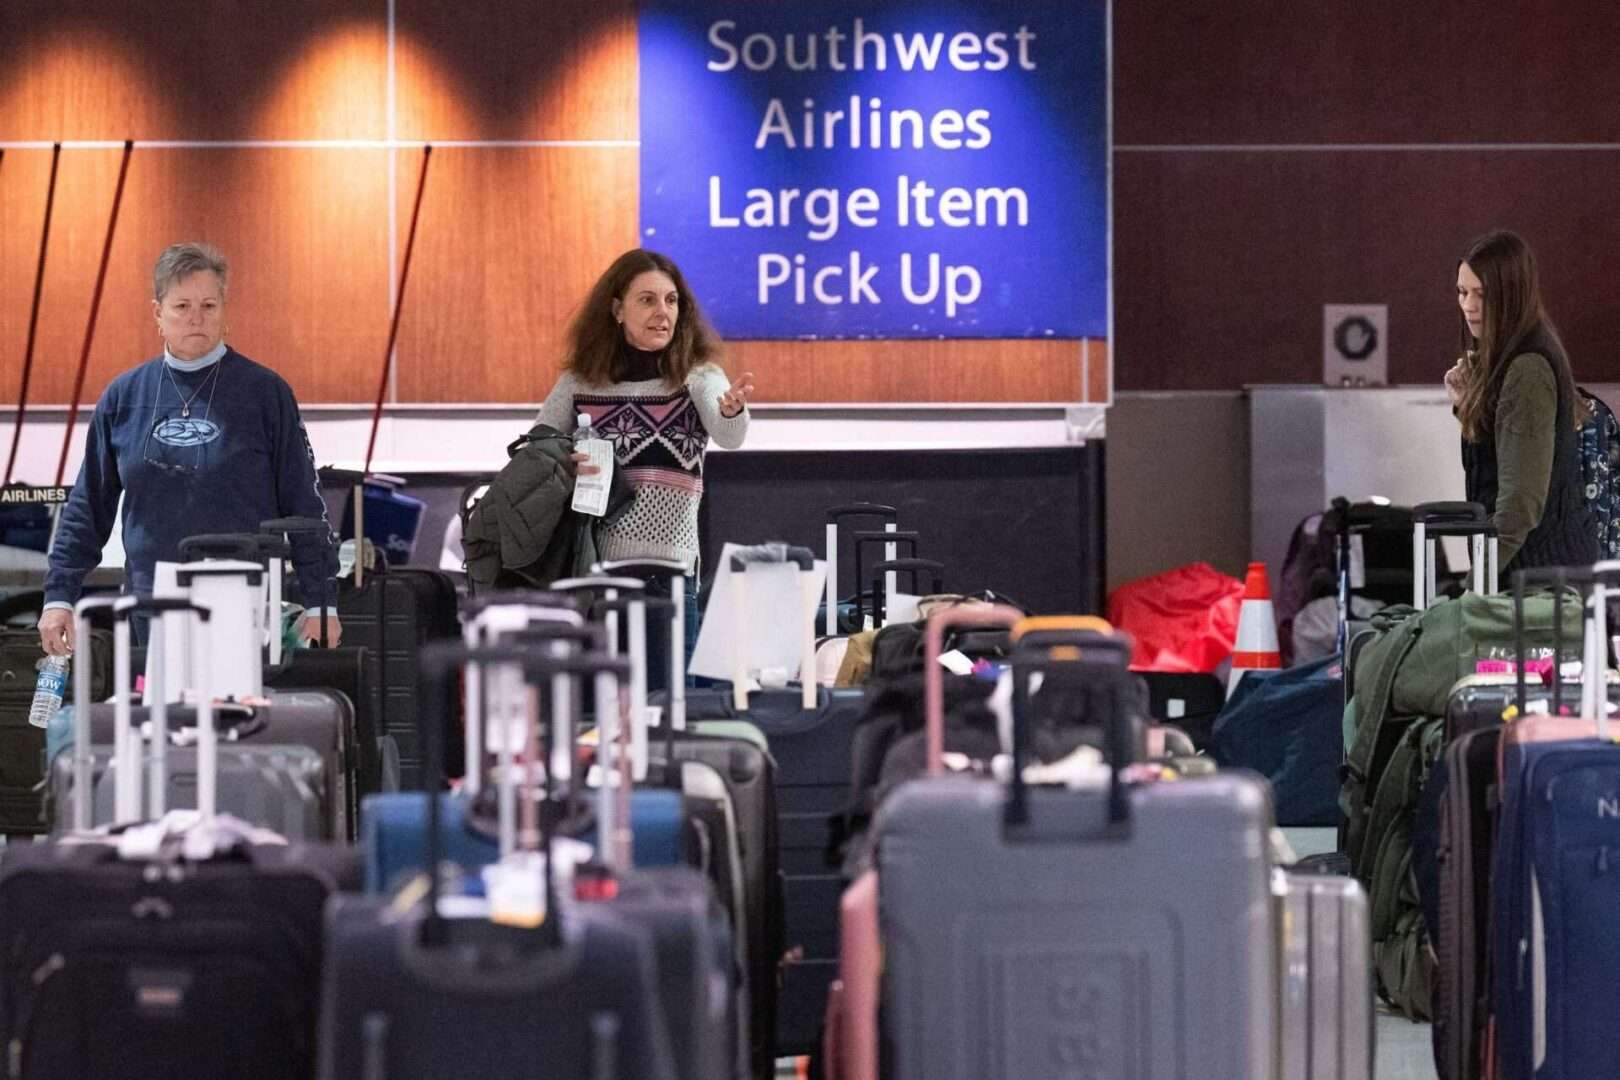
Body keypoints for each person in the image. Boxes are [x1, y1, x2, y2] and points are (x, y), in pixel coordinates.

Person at [38, 242, 341, 655]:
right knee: (156, 719)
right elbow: (87, 506)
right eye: (181, 305)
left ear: (225, 311)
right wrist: (59, 596)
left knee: (242, 719)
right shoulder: (124, 397)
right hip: (150, 604)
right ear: (157, 313)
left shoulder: (265, 393)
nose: (196, 317)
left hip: (247, 605)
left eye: (209, 305)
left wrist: (321, 602)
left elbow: (305, 502)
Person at [536, 248, 753, 674]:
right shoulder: (579, 382)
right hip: (594, 576)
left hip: (670, 572)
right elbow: (534, 452)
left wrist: (730, 411)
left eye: (671, 301)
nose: (662, 312)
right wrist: (565, 460)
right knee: (601, 712)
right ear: (617, 309)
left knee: (668, 712)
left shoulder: (698, 376)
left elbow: (730, 436)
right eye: (647, 300)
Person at [1443, 229, 1597, 572]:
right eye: (1462, 292)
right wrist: (1468, 405)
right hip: (1538, 576)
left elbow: (1519, 506)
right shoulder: (1519, 358)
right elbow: (1500, 460)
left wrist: (1474, 591)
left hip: (1541, 586)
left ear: (1509, 296)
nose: (1468, 306)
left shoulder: (1527, 369)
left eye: (1481, 294)